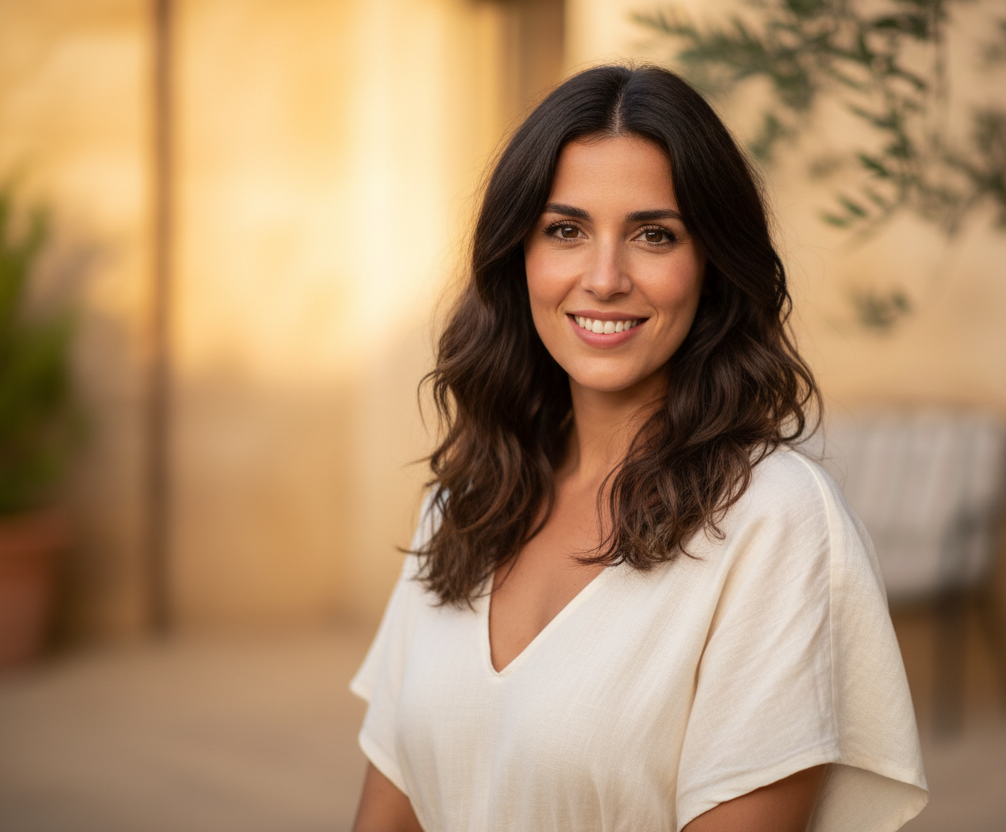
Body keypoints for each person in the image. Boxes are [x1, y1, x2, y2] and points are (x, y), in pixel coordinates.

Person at [349, 64, 927, 832]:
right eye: (566, 230)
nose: (605, 277)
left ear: (712, 265)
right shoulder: (463, 503)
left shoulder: (773, 523)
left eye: (655, 235)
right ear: (517, 256)